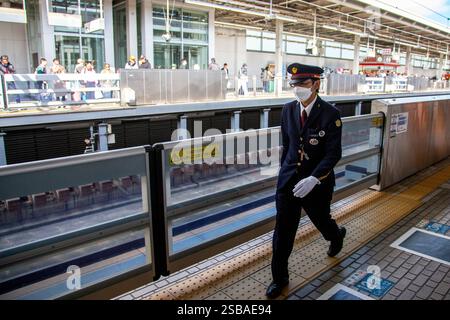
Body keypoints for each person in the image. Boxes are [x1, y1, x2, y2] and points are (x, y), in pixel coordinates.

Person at [266, 63, 346, 299]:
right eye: (294, 84)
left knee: (322, 220)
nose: (297, 88)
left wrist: (314, 178)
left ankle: (336, 235)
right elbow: (288, 146)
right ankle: (279, 279)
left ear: (317, 84)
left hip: (316, 183)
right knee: (283, 231)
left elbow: (334, 153)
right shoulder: (288, 110)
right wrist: (284, 174)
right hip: (289, 183)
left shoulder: (331, 114)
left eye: (303, 83)